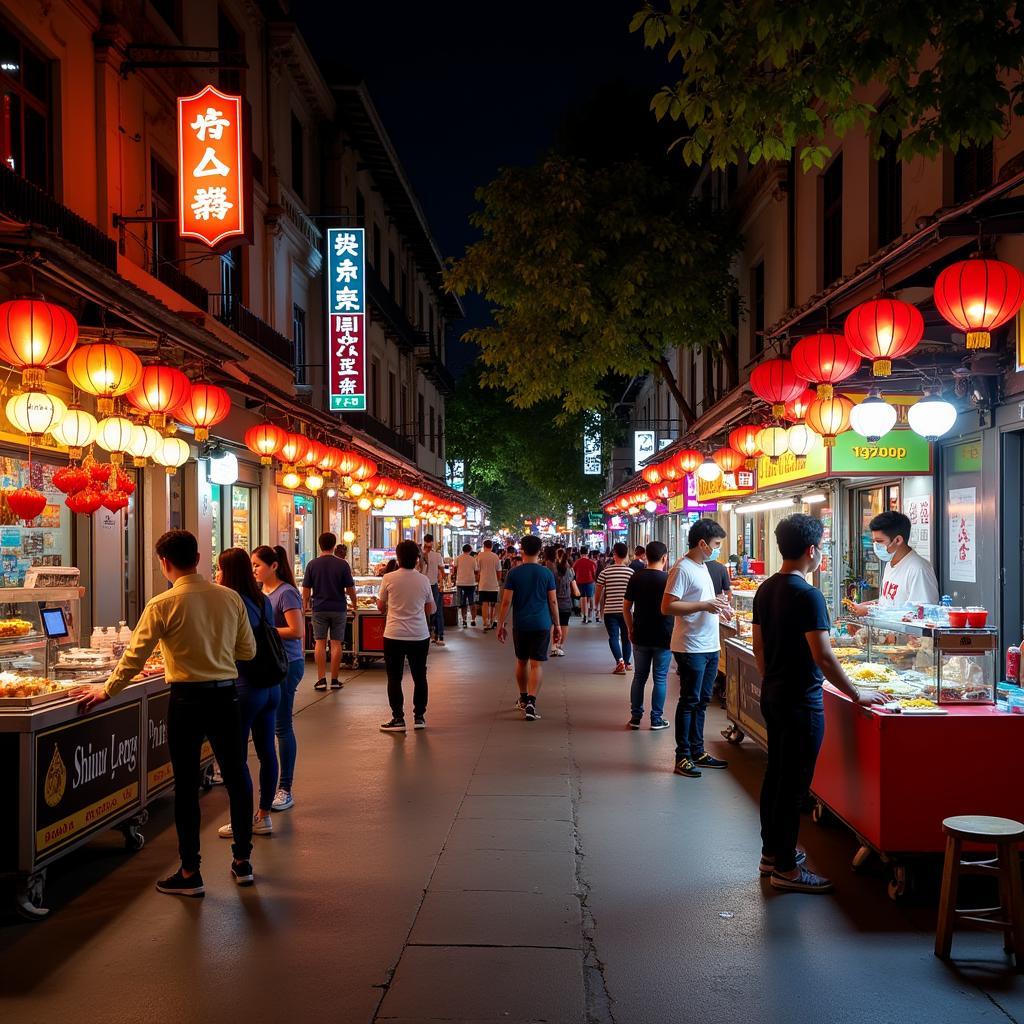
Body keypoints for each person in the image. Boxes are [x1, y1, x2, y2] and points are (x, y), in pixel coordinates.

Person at [77, 530, 257, 894]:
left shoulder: (161, 604)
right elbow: (248, 652)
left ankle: (191, 872)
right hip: (225, 698)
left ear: (164, 563)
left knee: (187, 786)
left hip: (187, 701)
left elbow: (134, 657)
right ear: (197, 556)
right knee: (238, 776)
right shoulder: (230, 598)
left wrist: (107, 690)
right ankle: (242, 861)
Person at [753, 514, 886, 893]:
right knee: (793, 786)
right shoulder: (808, 595)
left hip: (774, 695)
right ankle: (786, 870)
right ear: (812, 550)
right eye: (824, 546)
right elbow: (824, 657)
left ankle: (771, 854)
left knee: (775, 776)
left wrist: (770, 678)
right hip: (801, 703)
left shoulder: (767, 589)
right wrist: (857, 694)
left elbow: (758, 647)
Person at [215, 548, 280, 841]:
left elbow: (225, 644)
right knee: (267, 750)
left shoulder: (230, 601)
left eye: (218, 568)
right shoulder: (262, 599)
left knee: (236, 758)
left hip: (244, 685)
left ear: (226, 572)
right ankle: (264, 816)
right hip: (270, 685)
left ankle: (239, 821)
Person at [662, 519, 733, 779]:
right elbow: (668, 606)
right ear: (702, 544)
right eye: (715, 545)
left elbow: (703, 601)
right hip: (690, 646)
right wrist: (704, 606)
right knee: (690, 701)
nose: (717, 549)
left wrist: (719, 608)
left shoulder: (703, 566)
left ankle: (698, 750)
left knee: (702, 701)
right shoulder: (682, 569)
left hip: (710, 644)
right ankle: (683, 756)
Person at [252, 545, 305, 812]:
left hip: (287, 664)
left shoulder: (287, 593)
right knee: (269, 727)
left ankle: (285, 787)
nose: (254, 570)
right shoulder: (261, 593)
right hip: (267, 664)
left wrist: (265, 631)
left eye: (258, 565)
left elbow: (296, 631)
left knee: (282, 726)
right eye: (252, 566)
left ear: (273, 566)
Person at [496, 534, 560, 721]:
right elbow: (553, 601)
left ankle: (523, 698)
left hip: (521, 624)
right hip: (542, 623)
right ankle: (532, 701)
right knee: (536, 664)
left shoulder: (514, 573)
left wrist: (500, 624)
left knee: (521, 661)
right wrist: (556, 625)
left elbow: (506, 601)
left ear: (521, 550)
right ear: (540, 551)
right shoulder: (546, 573)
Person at [377, 540, 436, 732]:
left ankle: (398, 719)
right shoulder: (424, 580)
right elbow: (431, 608)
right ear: (417, 559)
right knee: (420, 676)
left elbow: (380, 606)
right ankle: (419, 717)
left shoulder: (389, 578)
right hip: (419, 634)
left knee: (394, 677)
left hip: (394, 634)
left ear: (398, 557)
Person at [622, 541, 673, 730]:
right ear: (664, 558)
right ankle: (656, 719)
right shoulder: (669, 579)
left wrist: (630, 629)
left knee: (639, 676)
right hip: (664, 635)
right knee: (660, 678)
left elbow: (626, 608)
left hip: (641, 633)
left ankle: (635, 718)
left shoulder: (636, 577)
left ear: (645, 557)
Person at [851, 510, 939, 614]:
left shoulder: (918, 569)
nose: (875, 546)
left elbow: (922, 613)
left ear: (898, 540)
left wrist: (871, 611)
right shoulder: (889, 564)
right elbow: (890, 603)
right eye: (873, 541)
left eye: (879, 541)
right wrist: (870, 605)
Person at [301, 532, 357, 691]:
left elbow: (306, 589)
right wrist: (355, 603)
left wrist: (305, 605)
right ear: (334, 545)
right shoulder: (343, 564)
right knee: (336, 643)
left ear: (320, 545)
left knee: (319, 642)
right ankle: (334, 679)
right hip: (339, 608)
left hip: (319, 608)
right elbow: (350, 588)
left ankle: (321, 680)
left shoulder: (312, 564)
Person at [595, 542, 634, 674]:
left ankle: (619, 661)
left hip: (610, 610)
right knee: (626, 636)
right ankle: (627, 663)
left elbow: (598, 592)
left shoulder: (605, 572)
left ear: (614, 554)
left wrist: (596, 606)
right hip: (626, 611)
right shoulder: (631, 572)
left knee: (613, 637)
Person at [418, 533, 446, 646]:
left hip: (421, 585)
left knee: (422, 610)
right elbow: (442, 571)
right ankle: (439, 635)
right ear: (432, 541)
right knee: (436, 610)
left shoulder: (419, 555)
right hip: (433, 585)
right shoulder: (437, 555)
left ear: (424, 540)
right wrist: (441, 583)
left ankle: (427, 634)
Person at [551, 547, 578, 657]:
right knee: (564, 624)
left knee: (554, 624)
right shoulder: (570, 572)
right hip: (566, 602)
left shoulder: (553, 572)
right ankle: (560, 646)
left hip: (555, 602)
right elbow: (575, 589)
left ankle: (553, 645)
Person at [477, 539, 502, 630]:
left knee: (485, 603)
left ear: (484, 546)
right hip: (493, 584)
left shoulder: (480, 556)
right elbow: (499, 572)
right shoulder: (495, 557)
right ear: (491, 546)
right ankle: (492, 620)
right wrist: (497, 580)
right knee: (493, 604)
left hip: (483, 583)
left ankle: (485, 621)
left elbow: (478, 570)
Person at [455, 543, 479, 627]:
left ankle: (464, 620)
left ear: (462, 550)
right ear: (470, 550)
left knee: (463, 603)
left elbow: (455, 568)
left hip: (460, 583)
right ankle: (473, 620)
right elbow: (476, 571)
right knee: (472, 602)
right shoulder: (473, 559)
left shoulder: (458, 558)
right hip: (471, 583)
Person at [574, 548, 597, 623]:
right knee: (589, 599)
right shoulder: (591, 562)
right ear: (587, 553)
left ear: (580, 553)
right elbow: (594, 573)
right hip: (590, 582)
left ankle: (584, 615)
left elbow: (573, 572)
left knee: (582, 598)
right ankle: (589, 616)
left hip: (579, 582)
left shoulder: (577, 562)